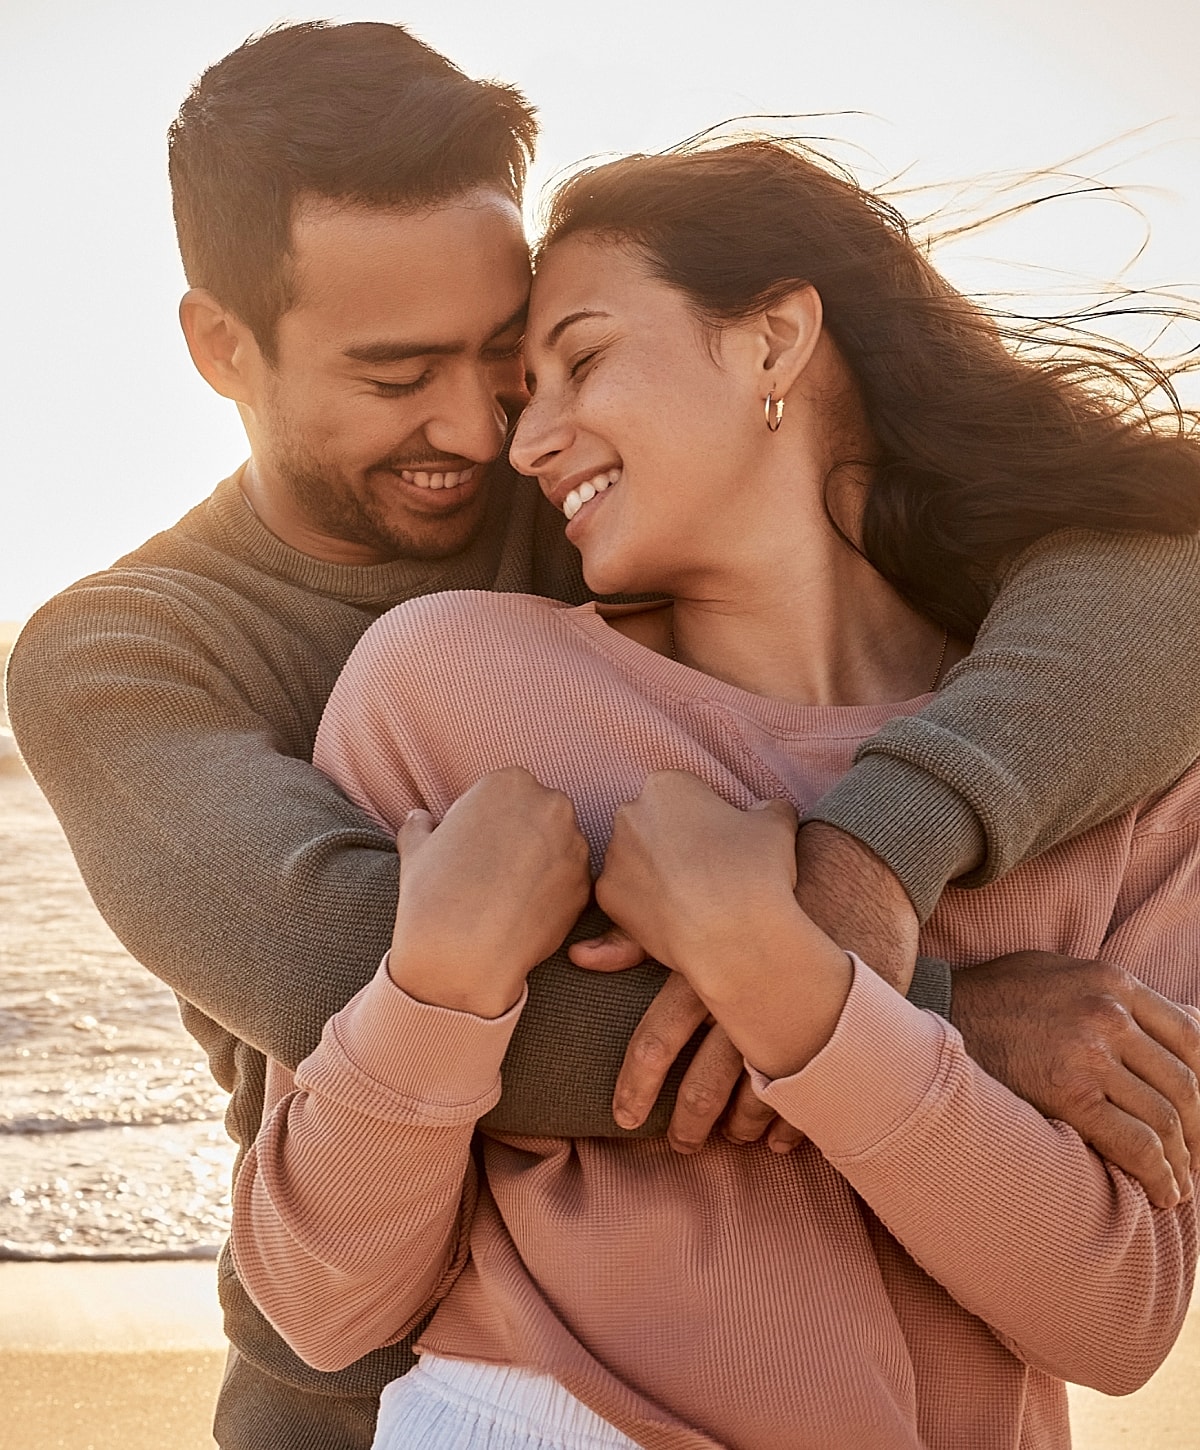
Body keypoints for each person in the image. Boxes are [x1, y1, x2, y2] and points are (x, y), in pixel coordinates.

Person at [5, 21, 1200, 1450]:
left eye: (505, 355)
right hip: (368, 1387)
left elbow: (1152, 574)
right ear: (221, 346)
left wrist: (873, 861)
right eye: (397, 374)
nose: (484, 426)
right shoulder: (122, 654)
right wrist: (940, 1018)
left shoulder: (622, 500)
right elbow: (341, 965)